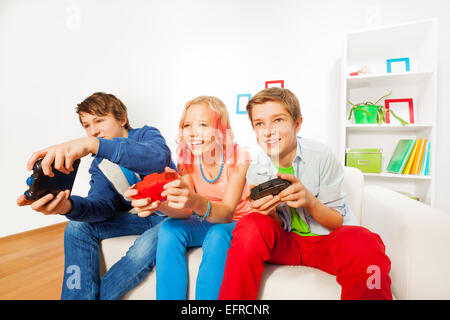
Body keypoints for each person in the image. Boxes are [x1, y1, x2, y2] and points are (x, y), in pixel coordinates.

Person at [218, 87, 393, 300]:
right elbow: (271, 230)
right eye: (259, 124)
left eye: (278, 120)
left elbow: (336, 222)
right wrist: (269, 213)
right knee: (250, 223)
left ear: (297, 123)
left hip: (327, 241)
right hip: (287, 244)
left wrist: (310, 201)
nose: (268, 130)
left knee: (363, 242)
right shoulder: (257, 168)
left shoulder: (322, 156)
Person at [17, 92, 175, 300]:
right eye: (87, 125)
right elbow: (103, 207)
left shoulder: (147, 135)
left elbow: (156, 158)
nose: (94, 131)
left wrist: (92, 145)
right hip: (138, 218)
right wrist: (68, 206)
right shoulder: (99, 165)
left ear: (122, 119)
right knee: (76, 226)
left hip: (171, 216)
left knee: (142, 250)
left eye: (100, 120)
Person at [126, 96, 254, 299]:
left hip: (237, 221)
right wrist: (160, 203)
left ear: (220, 129)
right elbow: (185, 210)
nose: (193, 133)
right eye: (187, 125)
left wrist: (195, 202)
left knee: (217, 235)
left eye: (203, 125)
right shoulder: (187, 157)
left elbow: (228, 213)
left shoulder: (239, 157)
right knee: (168, 228)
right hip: (206, 217)